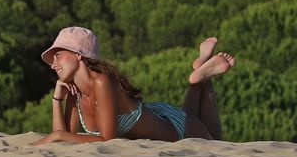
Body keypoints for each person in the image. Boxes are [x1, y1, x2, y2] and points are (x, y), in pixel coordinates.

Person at [31, 26, 233, 145]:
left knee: (216, 142)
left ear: (78, 55)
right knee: (197, 115)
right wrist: (57, 100)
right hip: (157, 118)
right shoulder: (74, 91)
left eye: (58, 56)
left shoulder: (102, 82)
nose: (53, 64)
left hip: (176, 130)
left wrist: (56, 136)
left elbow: (106, 139)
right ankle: (200, 74)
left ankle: (201, 78)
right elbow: (63, 138)